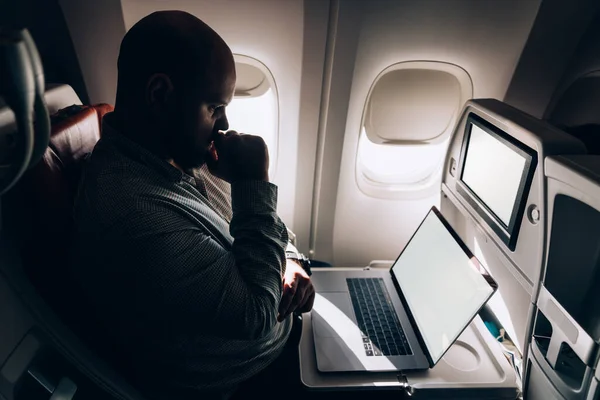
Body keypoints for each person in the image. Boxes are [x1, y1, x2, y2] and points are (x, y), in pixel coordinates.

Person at [72, 10, 315, 400]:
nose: (223, 124)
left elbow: (268, 230)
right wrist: (254, 183)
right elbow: (255, 315)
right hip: (251, 379)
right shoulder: (132, 213)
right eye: (214, 107)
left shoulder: (175, 153)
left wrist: (290, 260)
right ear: (159, 94)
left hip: (284, 331)